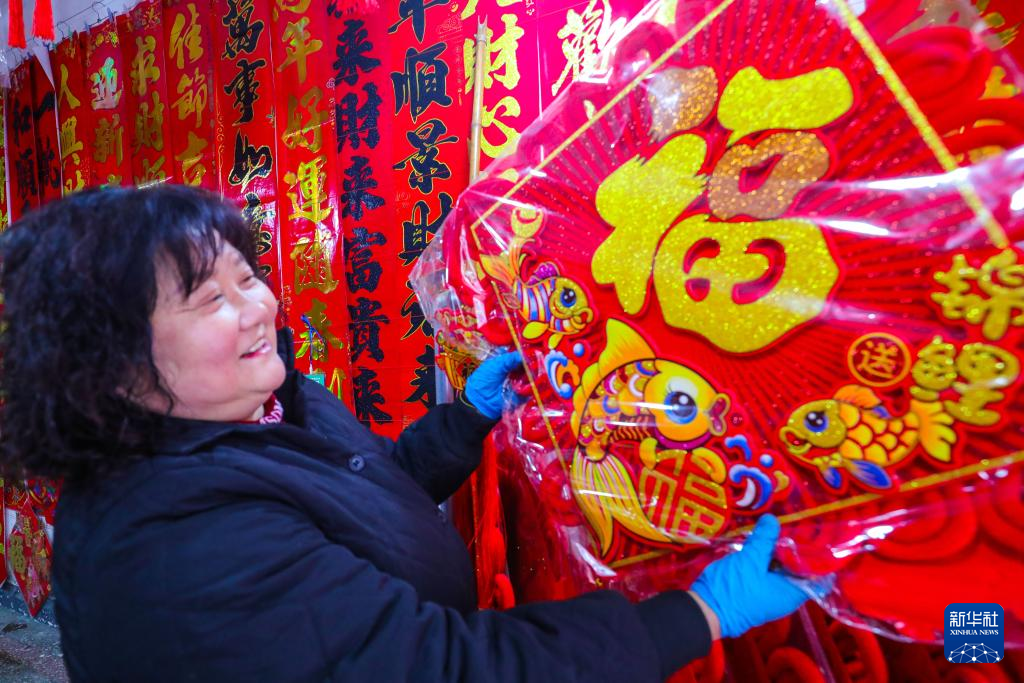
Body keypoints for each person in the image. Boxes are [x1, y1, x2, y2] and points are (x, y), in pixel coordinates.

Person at [0, 185, 818, 682]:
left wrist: (468, 417)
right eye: (210, 299)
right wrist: (699, 612)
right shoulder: (175, 546)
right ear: (110, 365)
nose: (257, 308)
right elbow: (447, 669)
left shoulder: (259, 404)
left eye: (247, 276)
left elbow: (355, 495)